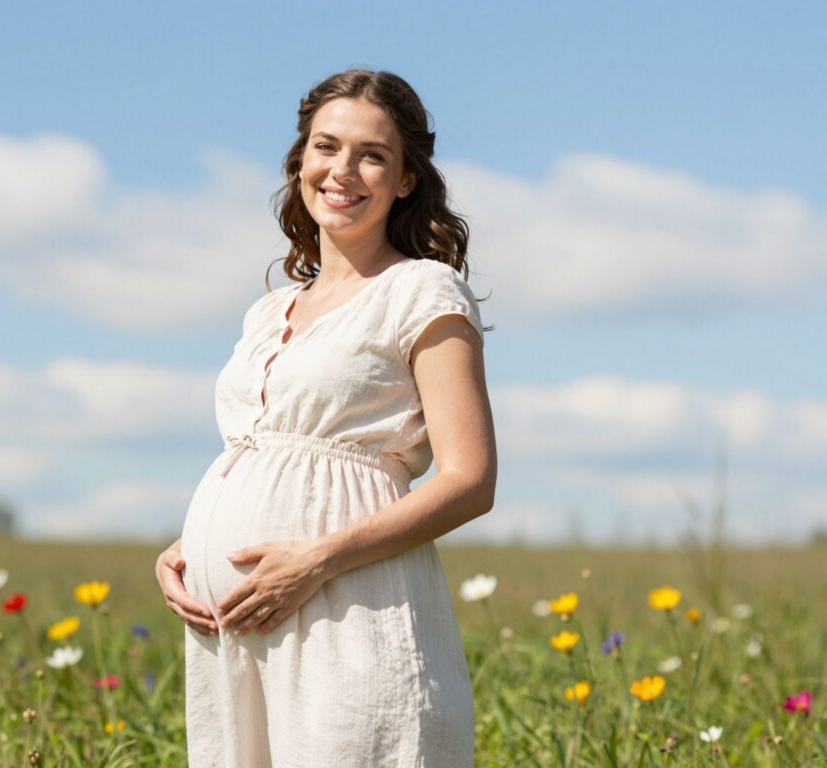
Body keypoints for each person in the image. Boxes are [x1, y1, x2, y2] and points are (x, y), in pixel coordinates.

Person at [155, 68, 496, 767]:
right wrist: (188, 551)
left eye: (372, 154)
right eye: (325, 147)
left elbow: (470, 478)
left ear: (405, 179)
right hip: (235, 631)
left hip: (349, 608)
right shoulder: (267, 312)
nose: (343, 170)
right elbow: (258, 457)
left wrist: (313, 560)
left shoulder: (423, 290)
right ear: (300, 161)